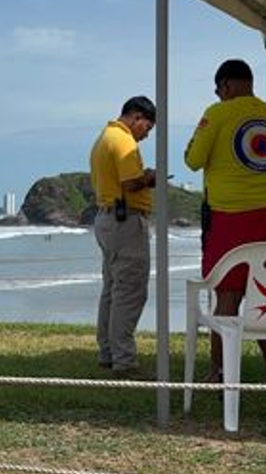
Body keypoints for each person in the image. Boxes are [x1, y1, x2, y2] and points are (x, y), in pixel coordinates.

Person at [184, 59, 266, 383]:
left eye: (219, 90)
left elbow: (192, 160)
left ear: (226, 86)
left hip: (229, 218)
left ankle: (220, 373)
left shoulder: (217, 113)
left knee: (226, 298)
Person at [88, 96, 157, 378]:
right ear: (137, 117)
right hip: (125, 220)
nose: (147, 135)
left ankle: (108, 352)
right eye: (148, 128)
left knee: (112, 291)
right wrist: (150, 176)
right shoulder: (124, 140)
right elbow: (130, 182)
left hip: (108, 219)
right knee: (129, 292)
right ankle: (124, 360)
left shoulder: (105, 136)